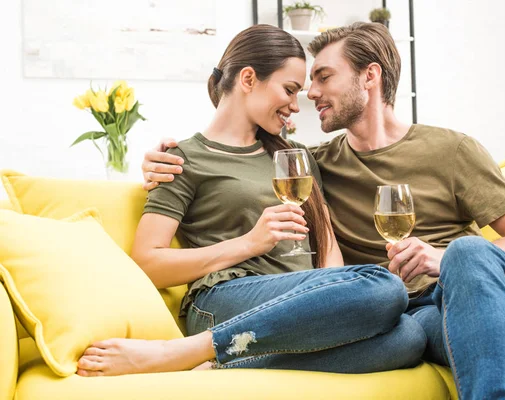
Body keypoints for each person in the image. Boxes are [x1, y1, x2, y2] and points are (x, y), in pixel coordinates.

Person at [142, 22, 505, 399]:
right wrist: (155, 162)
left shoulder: (452, 149)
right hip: (414, 312)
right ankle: (224, 358)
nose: (309, 94)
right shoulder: (312, 163)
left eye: (323, 77)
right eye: (300, 85)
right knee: (408, 337)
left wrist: (442, 258)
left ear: (370, 76)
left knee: (468, 252)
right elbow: (232, 155)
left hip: (484, 291)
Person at [76, 24, 427, 378]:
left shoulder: (296, 157)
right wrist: (249, 243)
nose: (295, 104)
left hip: (302, 304)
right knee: (384, 287)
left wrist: (334, 300)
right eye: (289, 89)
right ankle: (184, 350)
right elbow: (148, 261)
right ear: (248, 79)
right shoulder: (183, 158)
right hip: (224, 299)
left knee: (409, 336)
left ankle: (219, 362)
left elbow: (327, 249)